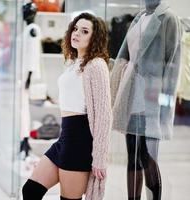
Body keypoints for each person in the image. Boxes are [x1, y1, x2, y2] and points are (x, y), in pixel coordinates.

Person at [22, 12, 112, 200]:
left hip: (80, 141)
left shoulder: (96, 65)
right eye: (76, 28)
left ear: (94, 38)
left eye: (85, 31)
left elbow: (104, 115)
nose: (77, 33)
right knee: (30, 190)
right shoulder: (73, 63)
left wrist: (100, 158)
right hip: (65, 138)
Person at [110, 0, 182, 199]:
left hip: (150, 99)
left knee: (147, 156)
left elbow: (172, 68)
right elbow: (123, 57)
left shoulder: (169, 19)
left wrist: (164, 107)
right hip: (131, 93)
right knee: (132, 157)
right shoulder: (138, 17)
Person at [20, 1, 42, 159]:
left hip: (27, 76)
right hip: (24, 74)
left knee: (24, 109)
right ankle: (23, 139)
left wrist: (29, 76)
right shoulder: (29, 29)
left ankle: (25, 139)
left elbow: (33, 54)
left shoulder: (32, 30)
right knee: (23, 109)